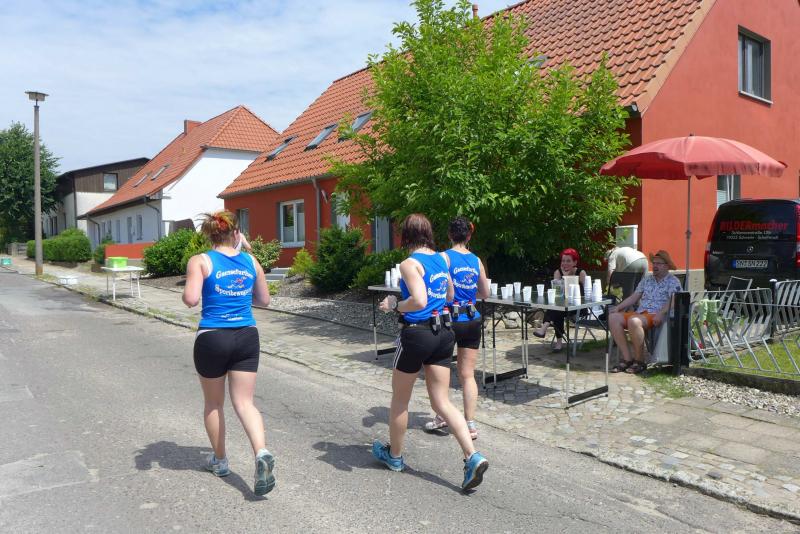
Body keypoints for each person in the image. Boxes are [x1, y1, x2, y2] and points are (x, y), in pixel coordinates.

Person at [373, 213, 489, 491]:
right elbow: (449, 295)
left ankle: (395, 457)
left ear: (406, 235)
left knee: (400, 400)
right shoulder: (440, 259)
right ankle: (472, 456)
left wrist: (394, 305)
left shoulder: (409, 264)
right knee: (442, 402)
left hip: (417, 334)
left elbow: (418, 300)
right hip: (443, 333)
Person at [182, 211, 276, 496]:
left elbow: (191, 299)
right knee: (245, 403)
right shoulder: (251, 261)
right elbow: (265, 300)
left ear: (210, 234)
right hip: (246, 335)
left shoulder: (200, 261)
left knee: (214, 404)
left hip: (213, 336)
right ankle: (261, 452)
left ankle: (220, 461)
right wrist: (245, 251)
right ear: (237, 233)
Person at [423, 217, 490, 440]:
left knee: (441, 372)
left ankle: (442, 416)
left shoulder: (443, 257)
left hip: (450, 320)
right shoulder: (476, 260)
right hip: (472, 318)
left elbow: (438, 287)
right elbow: (485, 293)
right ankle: (470, 424)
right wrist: (470, 295)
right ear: (469, 235)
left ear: (449, 235)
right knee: (467, 375)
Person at [609, 250, 682, 374]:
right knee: (613, 317)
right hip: (641, 313)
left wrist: (661, 313)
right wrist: (618, 307)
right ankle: (627, 359)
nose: (655, 266)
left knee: (634, 321)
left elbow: (674, 299)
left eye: (658, 263)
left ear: (667, 266)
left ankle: (640, 361)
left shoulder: (673, 281)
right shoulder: (647, 279)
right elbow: (634, 297)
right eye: (654, 263)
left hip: (656, 314)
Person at [532, 248, 587, 352]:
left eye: (568, 261)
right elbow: (557, 293)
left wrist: (566, 277)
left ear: (575, 262)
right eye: (563, 261)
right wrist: (563, 277)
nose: (565, 263)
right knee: (557, 309)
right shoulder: (558, 272)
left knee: (557, 310)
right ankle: (556, 341)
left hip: (578, 307)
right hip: (562, 305)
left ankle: (547, 332)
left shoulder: (581, 273)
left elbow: (582, 294)